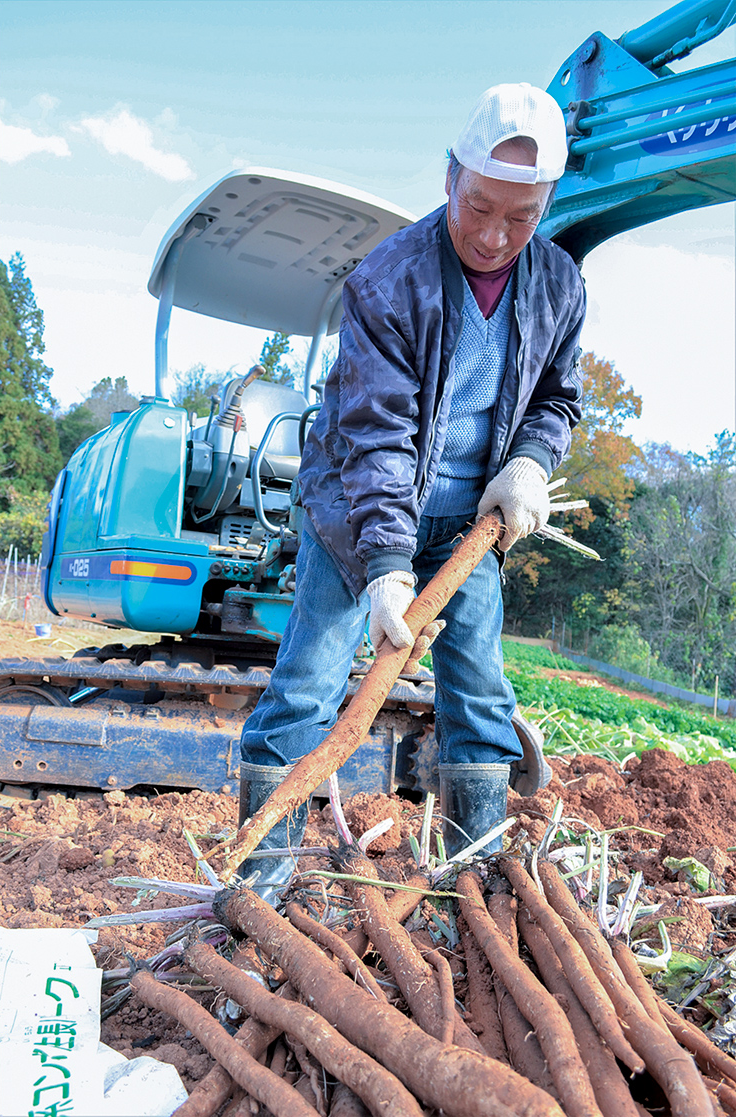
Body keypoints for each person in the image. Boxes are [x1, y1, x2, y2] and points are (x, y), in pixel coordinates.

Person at [238, 83, 586, 899]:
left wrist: (531, 461)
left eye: (521, 217)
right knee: (311, 684)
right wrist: (388, 563)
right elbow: (378, 432)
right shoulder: (389, 280)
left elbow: (557, 398)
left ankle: (473, 886)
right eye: (481, 208)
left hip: (472, 526)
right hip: (359, 515)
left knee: (481, 693)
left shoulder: (559, 286)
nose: (496, 235)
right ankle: (258, 883)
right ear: (449, 180)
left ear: (545, 207)